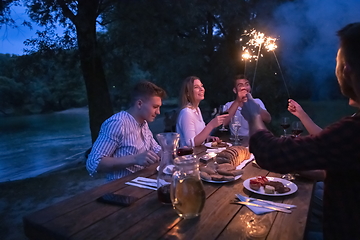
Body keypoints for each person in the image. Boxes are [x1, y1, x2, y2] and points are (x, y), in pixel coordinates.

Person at [241, 22, 360, 240]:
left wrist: (254, 117)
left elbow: (270, 153)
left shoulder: (353, 132)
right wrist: (303, 164)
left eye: (338, 60)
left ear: (347, 69)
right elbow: (338, 165)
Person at [86, 81, 166, 181]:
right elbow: (93, 163)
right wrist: (135, 159)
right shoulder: (117, 123)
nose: (158, 112)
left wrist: (174, 153)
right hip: (121, 190)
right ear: (139, 104)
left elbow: (155, 149)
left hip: (141, 182)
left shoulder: (143, 123)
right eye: (155, 107)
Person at [176, 76, 228, 147]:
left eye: (201, 86)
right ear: (188, 93)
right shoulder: (187, 113)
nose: (202, 89)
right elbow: (191, 143)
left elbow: (198, 135)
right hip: (188, 157)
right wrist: (211, 125)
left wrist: (208, 138)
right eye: (196, 87)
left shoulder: (197, 109)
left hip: (200, 153)